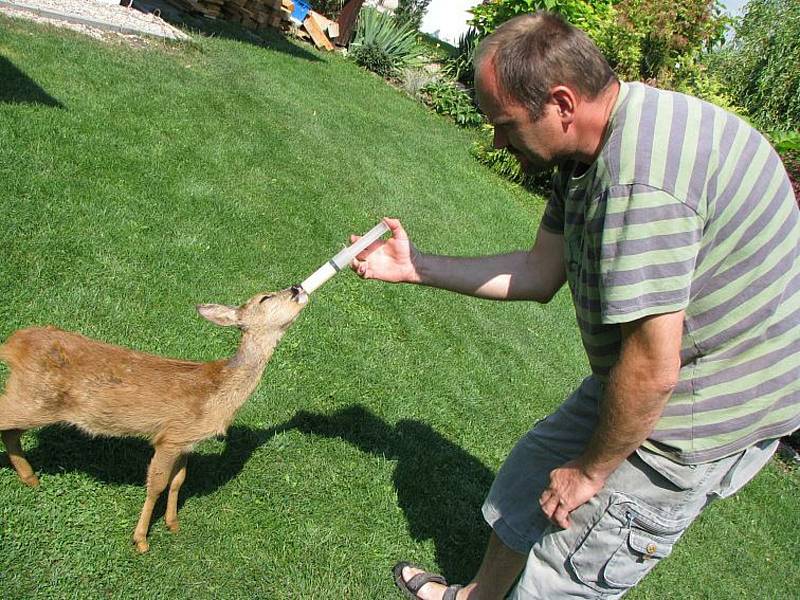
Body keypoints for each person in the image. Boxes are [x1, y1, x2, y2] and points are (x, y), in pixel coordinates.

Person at [349, 11, 800, 600]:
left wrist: (590, 472)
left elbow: (654, 368)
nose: (497, 140)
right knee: (528, 479)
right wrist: (416, 268)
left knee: (571, 566)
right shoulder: (587, 151)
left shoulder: (641, 183)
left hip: (699, 409)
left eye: (505, 124)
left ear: (562, 102)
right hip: (646, 373)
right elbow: (540, 272)